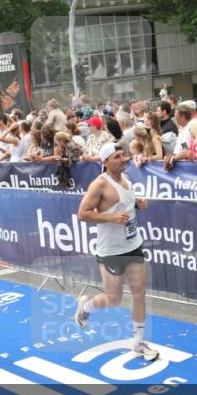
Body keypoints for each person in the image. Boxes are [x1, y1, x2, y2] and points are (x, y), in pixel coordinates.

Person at [73, 144, 159, 362]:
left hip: (133, 244)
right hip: (111, 250)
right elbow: (82, 214)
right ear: (105, 162)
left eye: (123, 155)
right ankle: (86, 306)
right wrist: (110, 219)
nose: (124, 159)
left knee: (139, 291)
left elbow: (124, 207)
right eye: (117, 157)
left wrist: (138, 205)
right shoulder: (99, 184)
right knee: (114, 299)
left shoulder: (126, 179)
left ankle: (139, 342)